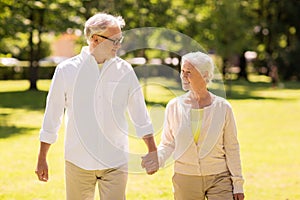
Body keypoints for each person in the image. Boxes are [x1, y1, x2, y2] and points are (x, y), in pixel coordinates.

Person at [35, 13, 158, 200]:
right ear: (95, 39)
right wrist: (42, 157)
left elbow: (139, 113)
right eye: (115, 40)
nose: (119, 45)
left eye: (120, 39)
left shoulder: (124, 70)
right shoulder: (66, 70)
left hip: (115, 161)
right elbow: (52, 117)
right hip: (78, 161)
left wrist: (152, 151)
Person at [144, 52, 244, 200]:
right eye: (182, 71)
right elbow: (168, 143)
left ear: (204, 75)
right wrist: (157, 159)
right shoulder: (174, 106)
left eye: (188, 72)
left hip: (219, 177)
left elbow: (232, 147)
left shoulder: (223, 108)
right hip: (185, 178)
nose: (183, 76)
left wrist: (238, 184)